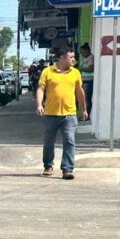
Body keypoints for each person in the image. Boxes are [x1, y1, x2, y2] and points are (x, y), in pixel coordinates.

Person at [36, 49, 88, 180]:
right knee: (49, 142)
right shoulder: (47, 72)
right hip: (50, 114)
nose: (73, 60)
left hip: (69, 115)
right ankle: (48, 165)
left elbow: (79, 92)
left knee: (69, 141)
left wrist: (84, 109)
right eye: (71, 57)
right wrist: (39, 104)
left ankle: (67, 169)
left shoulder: (75, 73)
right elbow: (41, 89)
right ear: (63, 58)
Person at [79, 43, 94, 115]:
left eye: (82, 52)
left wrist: (81, 68)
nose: (81, 54)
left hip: (89, 81)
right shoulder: (86, 58)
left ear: (86, 50)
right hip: (84, 80)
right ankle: (84, 115)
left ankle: (86, 116)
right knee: (84, 99)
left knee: (87, 99)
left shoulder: (91, 57)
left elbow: (91, 68)